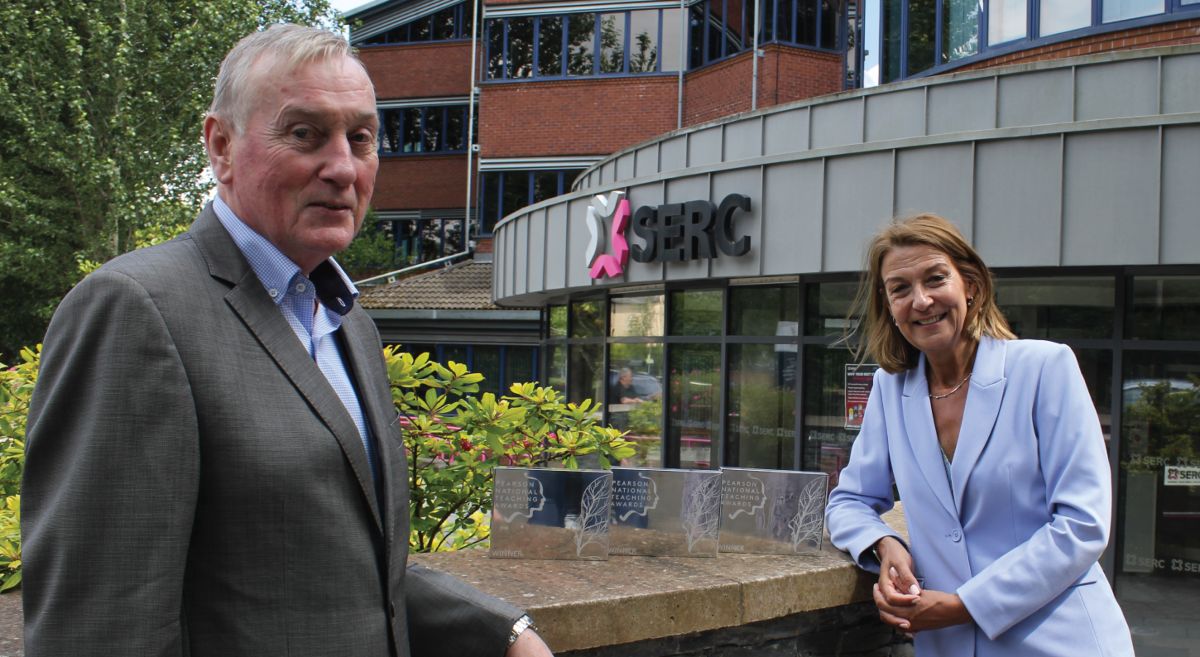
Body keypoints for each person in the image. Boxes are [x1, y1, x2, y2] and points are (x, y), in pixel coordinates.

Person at [22, 25, 553, 657]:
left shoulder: (346, 320)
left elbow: (341, 568)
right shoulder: (135, 311)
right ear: (221, 146)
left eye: (361, 138)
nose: (341, 168)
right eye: (304, 134)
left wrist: (505, 632)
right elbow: (98, 625)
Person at [824, 214, 1135, 656]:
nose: (922, 300)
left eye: (936, 279)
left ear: (970, 284)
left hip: (1061, 641)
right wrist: (884, 543)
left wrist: (964, 605)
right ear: (888, 305)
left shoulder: (1044, 368)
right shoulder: (890, 390)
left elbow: (1082, 524)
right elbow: (849, 501)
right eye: (900, 289)